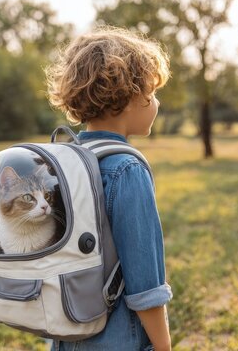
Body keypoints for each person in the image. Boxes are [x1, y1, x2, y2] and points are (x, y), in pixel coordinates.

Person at [45, 26, 173, 351]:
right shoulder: (127, 170)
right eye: (152, 92)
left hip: (65, 337)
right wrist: (164, 346)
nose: (156, 102)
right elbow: (146, 285)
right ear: (130, 97)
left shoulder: (64, 162)